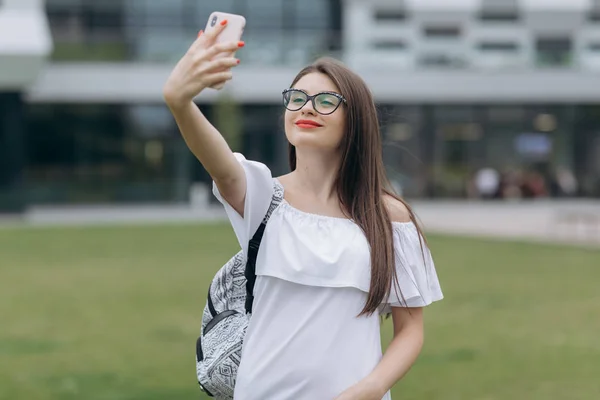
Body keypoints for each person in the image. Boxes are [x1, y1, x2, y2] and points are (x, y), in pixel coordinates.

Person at [163, 22, 443, 400]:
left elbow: (411, 329)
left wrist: (371, 388)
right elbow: (220, 161)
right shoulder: (263, 196)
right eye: (297, 98)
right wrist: (180, 101)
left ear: (354, 120)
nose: (306, 108)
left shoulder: (389, 217)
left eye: (326, 101)